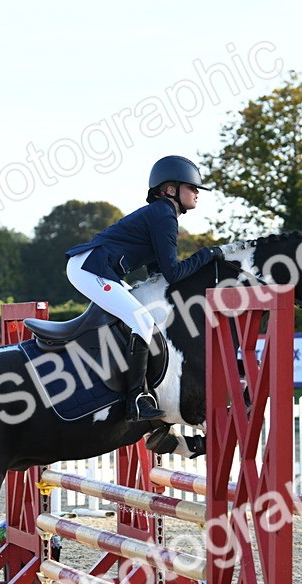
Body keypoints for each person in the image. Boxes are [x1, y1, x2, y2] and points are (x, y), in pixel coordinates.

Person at [64, 155, 227, 421]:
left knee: (144, 314)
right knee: (142, 320)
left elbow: (159, 271)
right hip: (90, 268)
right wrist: (207, 255)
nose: (197, 193)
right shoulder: (164, 214)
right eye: (192, 187)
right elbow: (173, 274)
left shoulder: (161, 213)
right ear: (172, 189)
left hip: (97, 268)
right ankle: (135, 400)